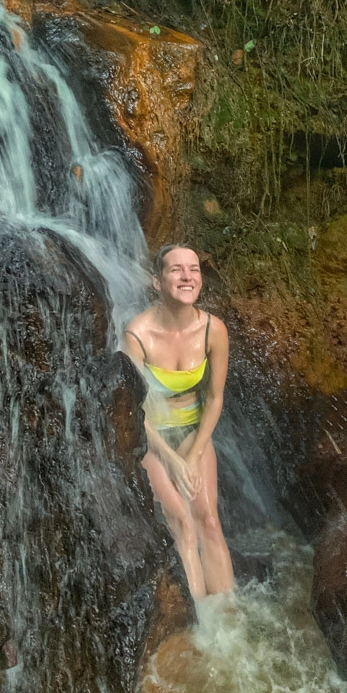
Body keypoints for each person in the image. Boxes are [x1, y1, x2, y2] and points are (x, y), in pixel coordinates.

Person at [124, 244, 234, 598]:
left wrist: (192, 455)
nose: (187, 276)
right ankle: (200, 622)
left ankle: (229, 620)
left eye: (194, 269)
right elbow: (134, 412)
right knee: (183, 525)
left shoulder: (212, 330)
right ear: (157, 282)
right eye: (176, 270)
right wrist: (171, 460)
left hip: (193, 433)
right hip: (150, 438)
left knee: (209, 521)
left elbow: (215, 398)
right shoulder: (137, 335)